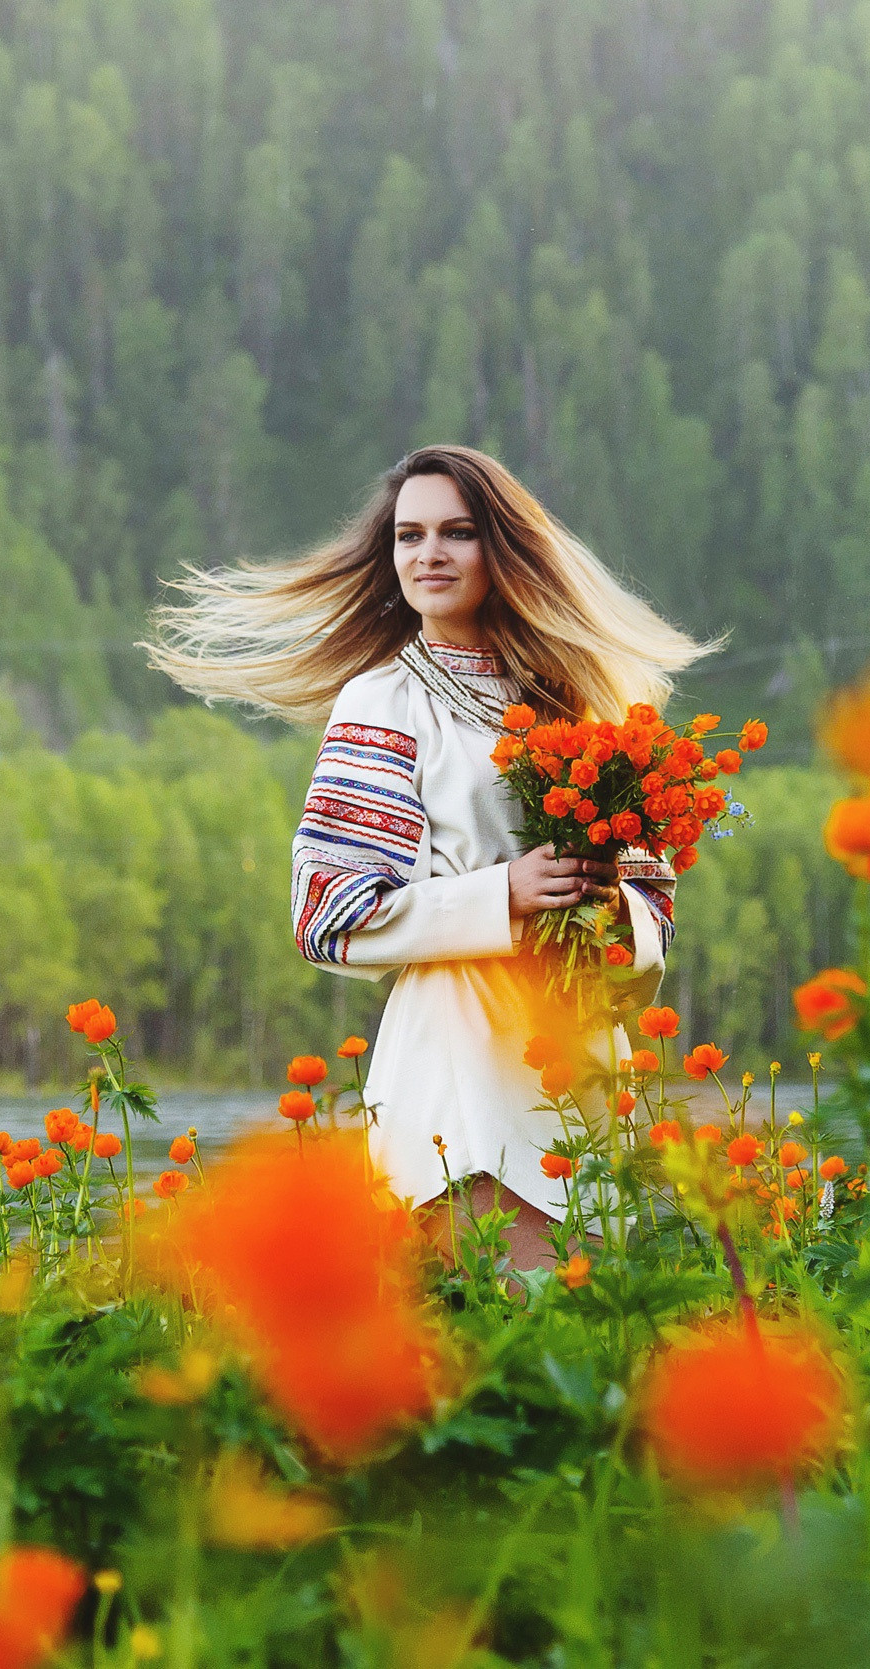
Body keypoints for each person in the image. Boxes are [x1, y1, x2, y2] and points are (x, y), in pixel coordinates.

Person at [147, 444, 713, 1270]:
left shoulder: (581, 700)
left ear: (503, 548)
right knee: (505, 1310)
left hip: (582, 1052)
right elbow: (327, 913)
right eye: (409, 536)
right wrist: (504, 892)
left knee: (593, 1326)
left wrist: (609, 902)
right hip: (458, 1055)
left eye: (458, 532)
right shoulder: (384, 701)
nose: (429, 554)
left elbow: (652, 902)